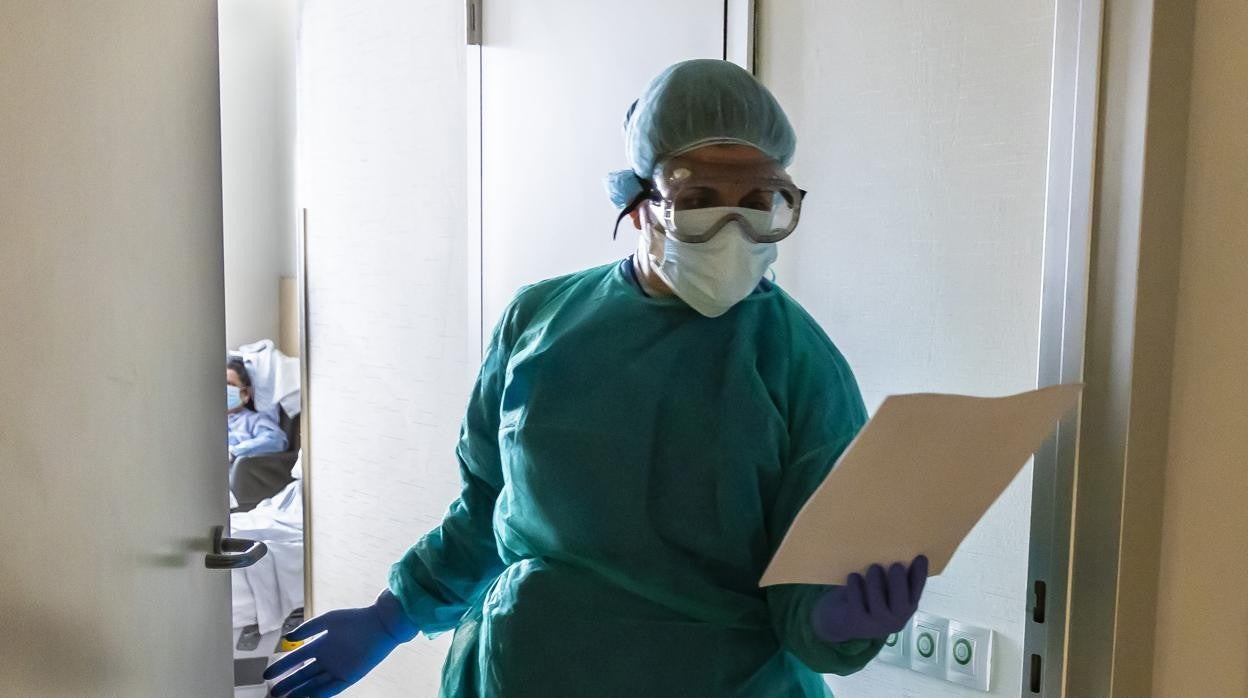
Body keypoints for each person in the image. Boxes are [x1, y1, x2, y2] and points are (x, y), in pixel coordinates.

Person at [265, 59, 928, 698]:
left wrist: (842, 619)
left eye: (760, 201)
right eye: (698, 200)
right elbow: (485, 510)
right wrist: (390, 618)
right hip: (526, 673)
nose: (732, 227)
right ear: (637, 204)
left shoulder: (800, 363)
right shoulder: (538, 322)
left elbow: (808, 586)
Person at [227, 359, 288, 460]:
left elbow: (276, 440)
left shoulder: (253, 420)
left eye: (230, 384)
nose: (225, 389)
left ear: (246, 393)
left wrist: (234, 452)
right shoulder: (207, 421)